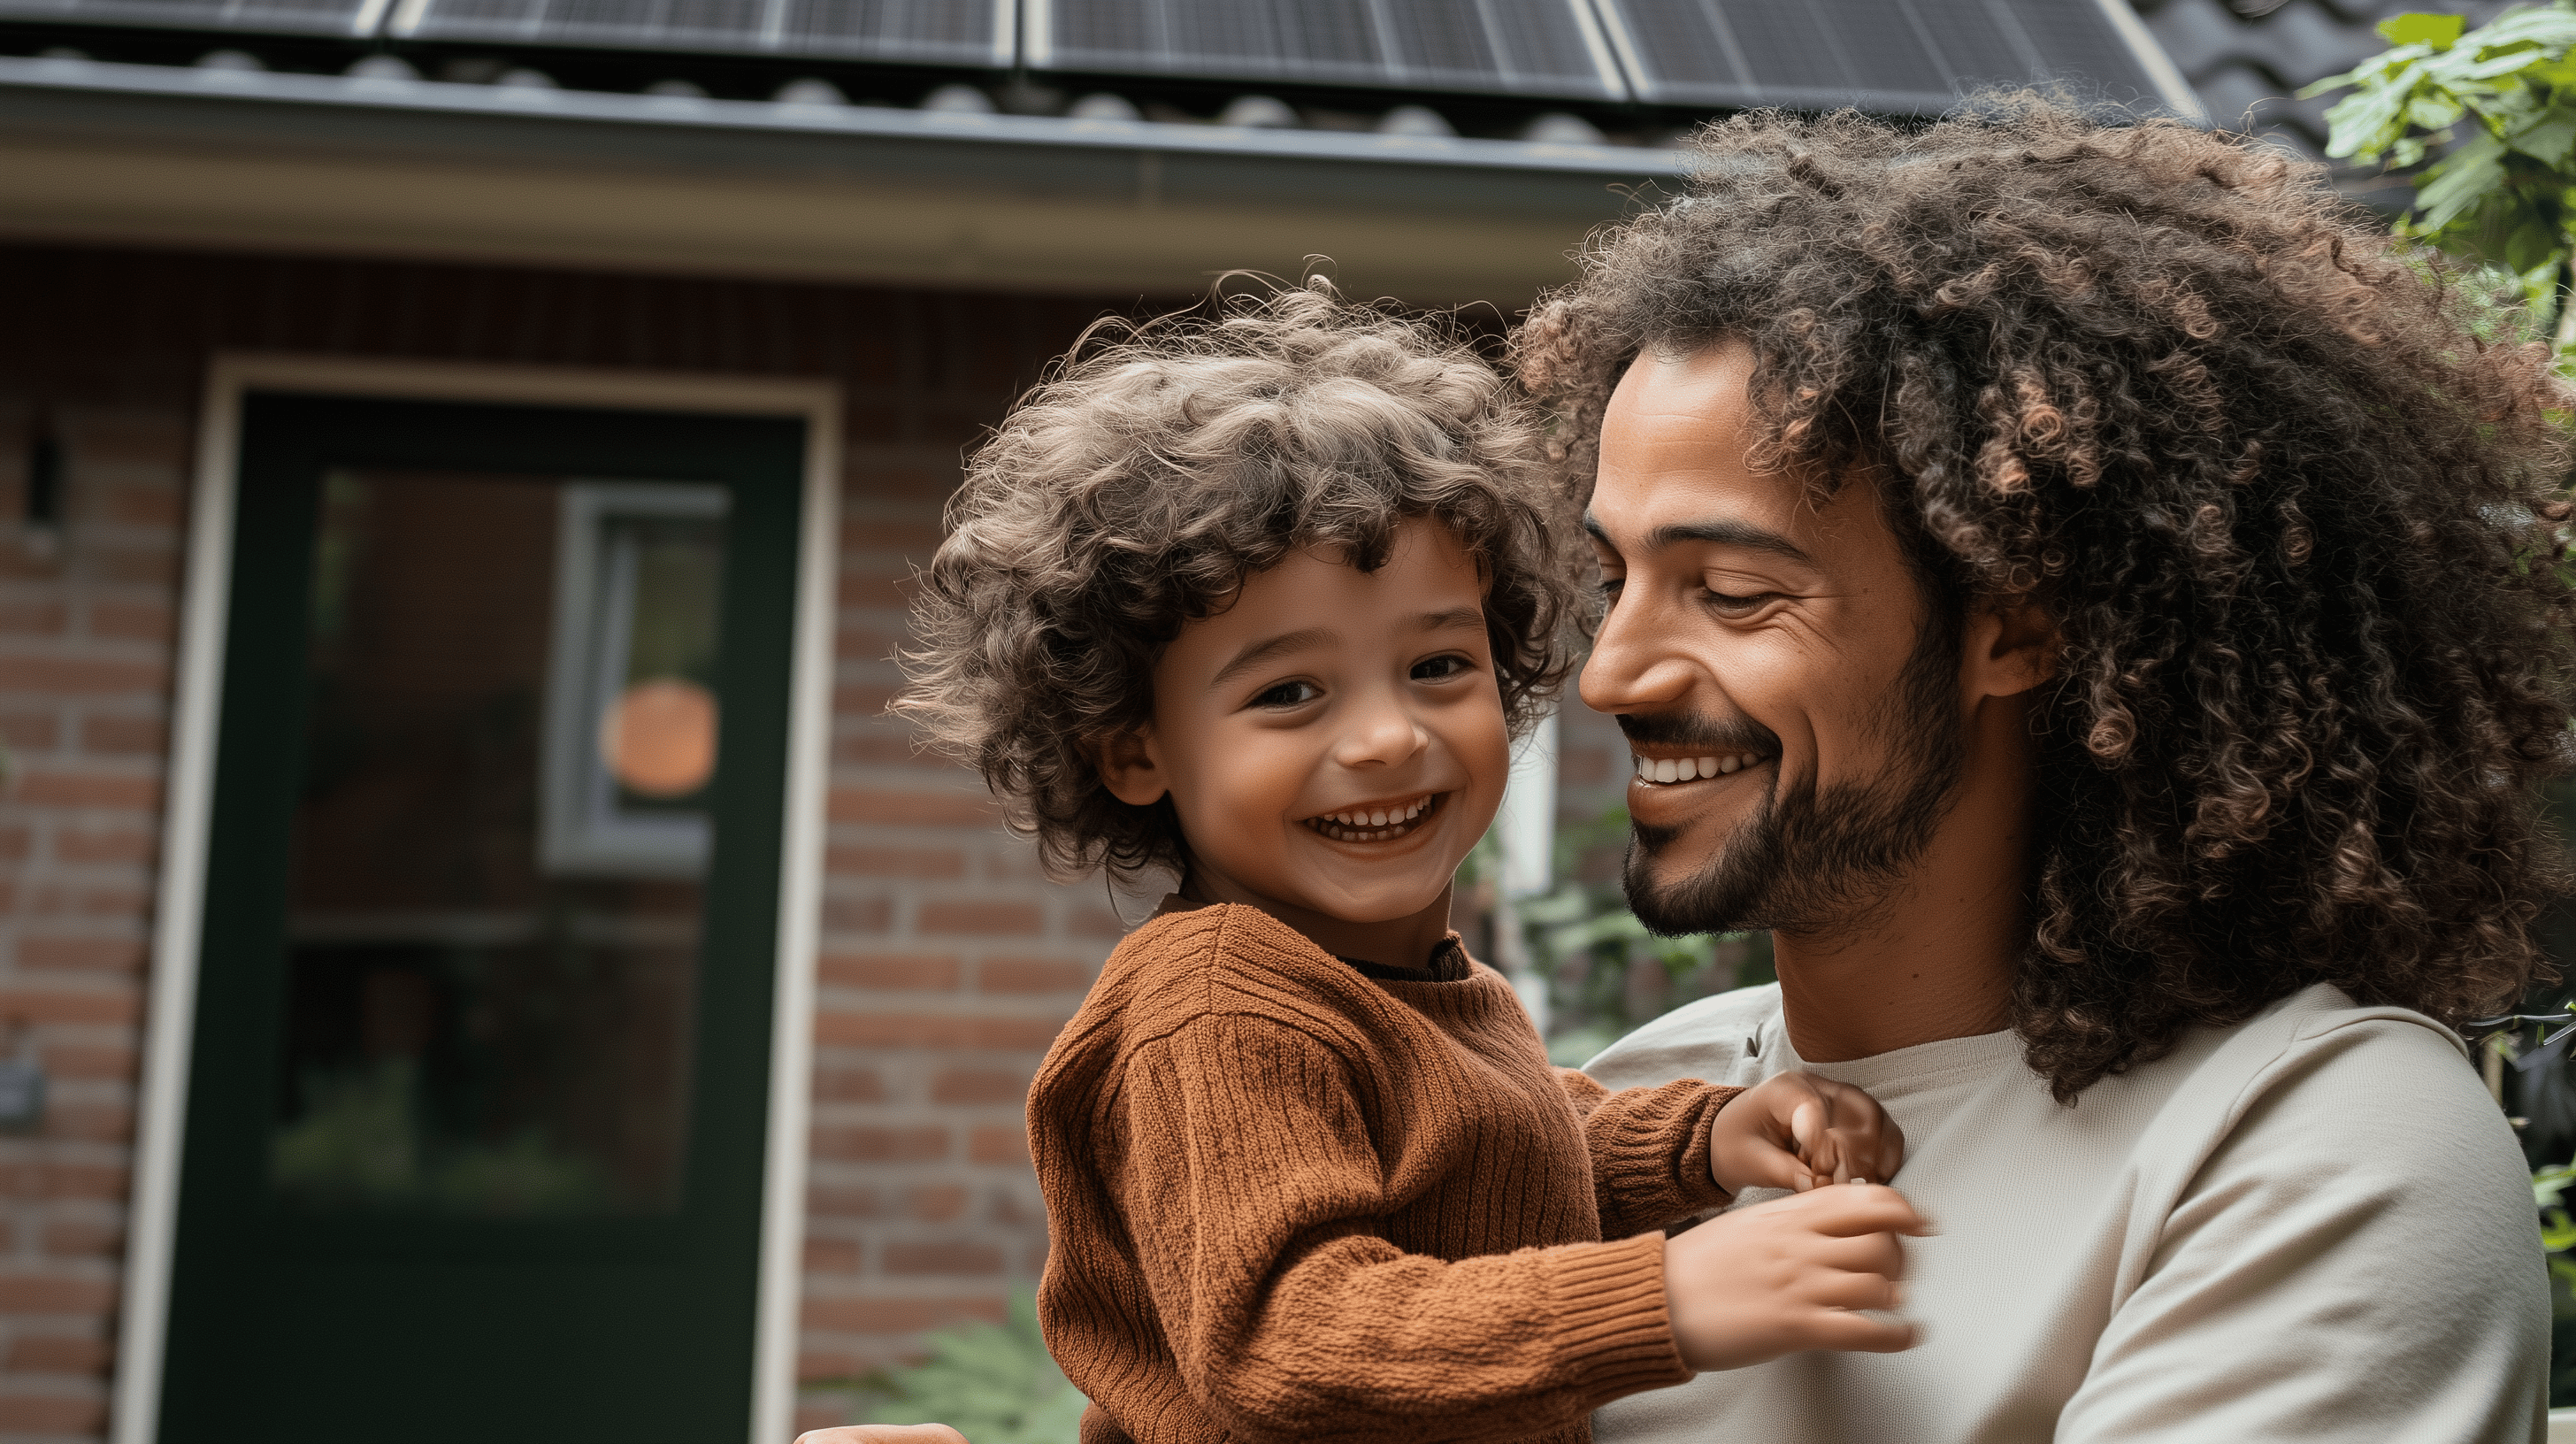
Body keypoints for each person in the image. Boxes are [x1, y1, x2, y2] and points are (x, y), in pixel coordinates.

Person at [1505, 96, 2572, 1442]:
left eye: (1729, 592)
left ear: (2016, 625)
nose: (1613, 676)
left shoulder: (2308, 1143)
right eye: (1617, 579)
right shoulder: (1642, 1116)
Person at [863, 282, 1928, 1444]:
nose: (1387, 738)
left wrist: (1702, 1142)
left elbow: (1493, 1160)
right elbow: (1290, 1336)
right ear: (1133, 750)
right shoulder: (1218, 1003)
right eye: (1289, 693)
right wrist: (1668, 1298)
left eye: (1436, 667)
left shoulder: (1409, 992)